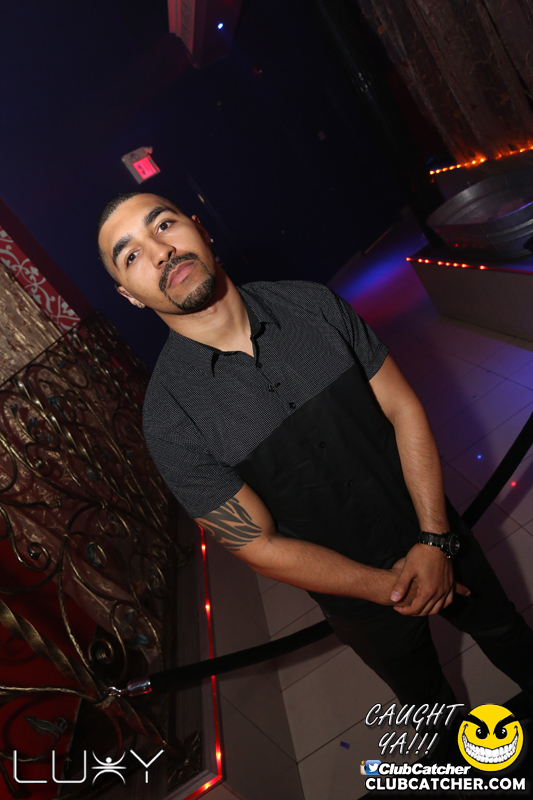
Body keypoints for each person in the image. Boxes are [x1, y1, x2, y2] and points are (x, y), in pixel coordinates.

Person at [97, 190, 533, 711]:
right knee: (429, 707)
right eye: (131, 255)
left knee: (508, 633)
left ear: (200, 228)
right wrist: (386, 589)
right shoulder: (170, 420)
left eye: (163, 225)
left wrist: (435, 541)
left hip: (436, 529)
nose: (160, 251)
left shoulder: (312, 304)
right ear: (129, 295)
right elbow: (258, 545)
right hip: (360, 602)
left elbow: (402, 409)